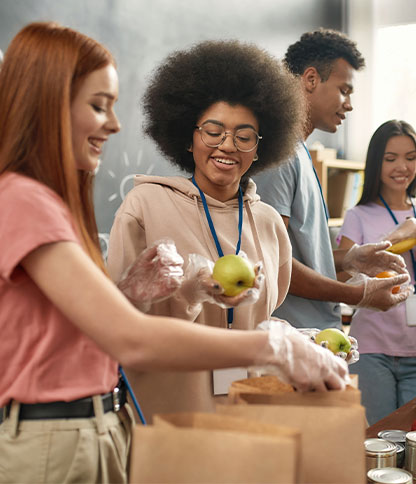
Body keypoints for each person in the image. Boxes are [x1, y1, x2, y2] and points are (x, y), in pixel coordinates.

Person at [0, 22, 349, 484]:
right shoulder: (26, 200)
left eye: (245, 135)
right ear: (49, 103)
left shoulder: (50, 201)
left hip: (94, 426)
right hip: (65, 433)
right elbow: (131, 339)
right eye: (98, 105)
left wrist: (130, 293)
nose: (115, 124)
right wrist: (274, 345)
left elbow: (79, 330)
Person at [107, 39, 319, 422]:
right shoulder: (144, 207)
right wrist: (191, 291)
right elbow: (118, 316)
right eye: (213, 130)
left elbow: (262, 315)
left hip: (248, 407)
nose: (227, 145)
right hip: (169, 408)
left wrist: (303, 342)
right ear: (188, 137)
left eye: (244, 136)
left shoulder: (269, 222)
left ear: (259, 149)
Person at [253, 28, 410, 331]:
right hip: (292, 337)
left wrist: (349, 259)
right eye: (345, 90)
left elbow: (299, 253)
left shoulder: (300, 153)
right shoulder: (279, 155)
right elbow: (271, 262)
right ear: (311, 79)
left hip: (314, 336)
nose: (349, 104)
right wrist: (355, 294)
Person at [337, 120, 416, 425]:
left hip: (414, 349)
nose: (402, 167)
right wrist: (396, 236)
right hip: (371, 349)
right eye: (390, 158)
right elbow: (342, 276)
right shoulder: (357, 216)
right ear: (375, 163)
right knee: (377, 440)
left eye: (410, 157)